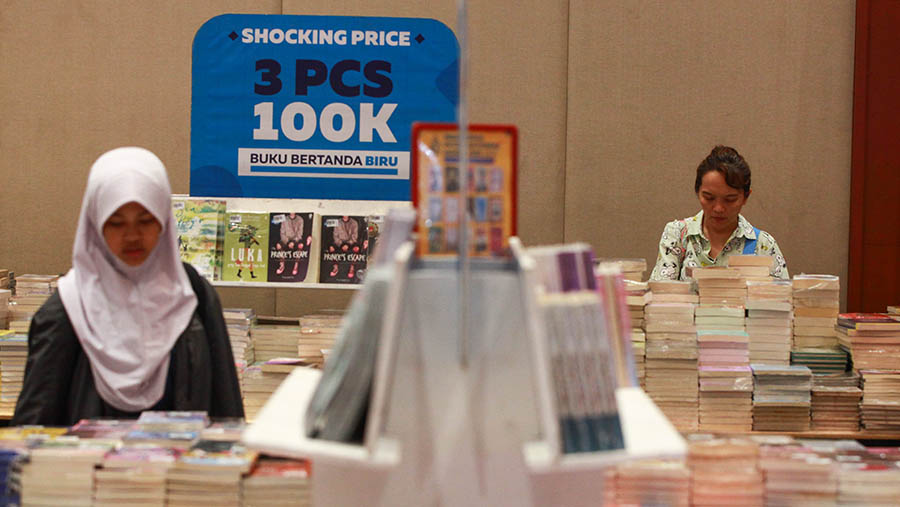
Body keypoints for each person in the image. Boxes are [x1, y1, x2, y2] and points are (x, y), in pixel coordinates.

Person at [12, 147, 244, 426]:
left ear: (164, 221)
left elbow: (224, 400)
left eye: (146, 220)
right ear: (95, 225)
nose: (132, 236)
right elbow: (34, 423)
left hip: (181, 468)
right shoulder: (68, 309)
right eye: (116, 223)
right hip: (86, 468)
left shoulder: (191, 294)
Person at [649, 145, 788, 281]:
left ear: (746, 197)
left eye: (730, 199)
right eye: (709, 198)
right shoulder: (678, 235)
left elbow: (780, 298)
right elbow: (661, 294)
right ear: (698, 192)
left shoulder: (763, 244)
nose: (718, 208)